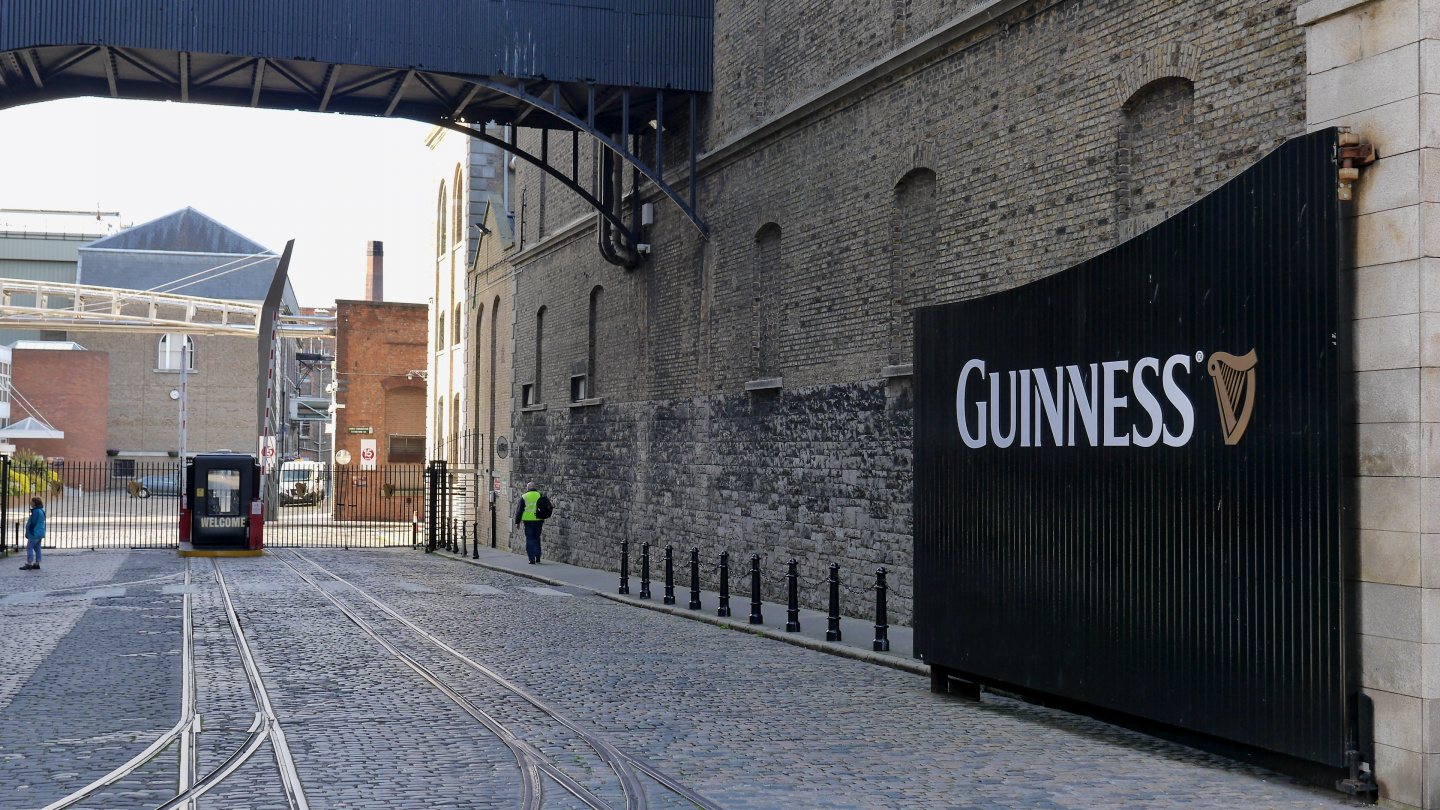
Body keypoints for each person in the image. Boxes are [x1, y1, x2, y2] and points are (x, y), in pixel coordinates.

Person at [514, 482, 549, 564]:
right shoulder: (540, 495)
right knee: (537, 538)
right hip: (539, 520)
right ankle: (537, 555)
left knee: (530, 539)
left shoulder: (524, 497)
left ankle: (531, 559)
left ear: (528, 488)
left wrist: (517, 522)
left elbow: (519, 510)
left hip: (528, 521)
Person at [20, 496, 44, 571]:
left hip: (34, 532)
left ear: (35, 503)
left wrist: (29, 529)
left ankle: (29, 563)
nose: (30, 503)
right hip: (40, 532)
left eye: (32, 502)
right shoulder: (41, 510)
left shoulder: (36, 511)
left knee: (29, 548)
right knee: (37, 548)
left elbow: (33, 522)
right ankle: (37, 563)